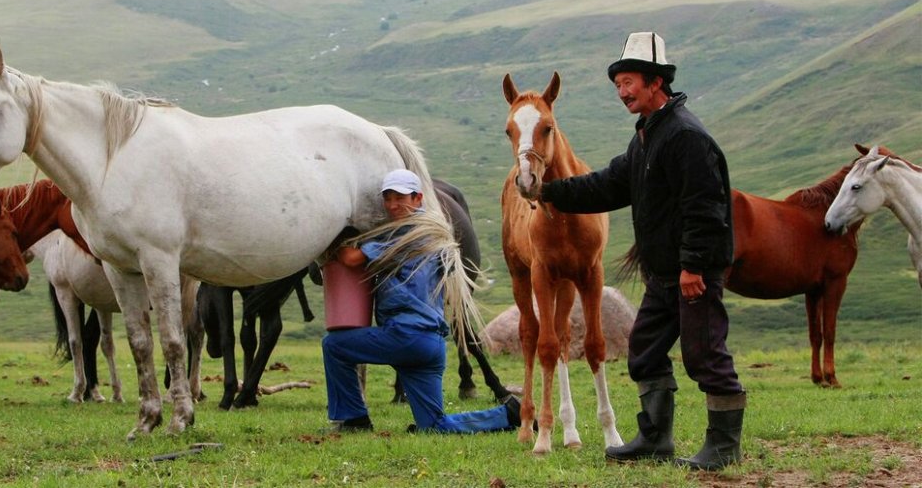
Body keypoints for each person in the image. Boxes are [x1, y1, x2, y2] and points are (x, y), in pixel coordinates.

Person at [531, 32, 746, 471]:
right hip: (663, 274)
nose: (622, 92)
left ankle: (724, 447)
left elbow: (705, 207)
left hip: (692, 273)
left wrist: (693, 266)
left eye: (628, 82)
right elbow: (608, 185)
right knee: (644, 350)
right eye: (618, 84)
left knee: (705, 354)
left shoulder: (686, 136)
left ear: (655, 82)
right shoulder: (648, 136)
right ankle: (655, 439)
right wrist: (550, 192)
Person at [320, 168, 521, 434]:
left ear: (418, 198)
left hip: (406, 336)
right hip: (431, 344)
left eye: (400, 198)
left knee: (334, 346)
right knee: (434, 425)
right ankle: (509, 414)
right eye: (388, 198)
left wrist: (331, 236)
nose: (393, 205)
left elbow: (351, 259)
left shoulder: (404, 235)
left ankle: (354, 419)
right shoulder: (436, 234)